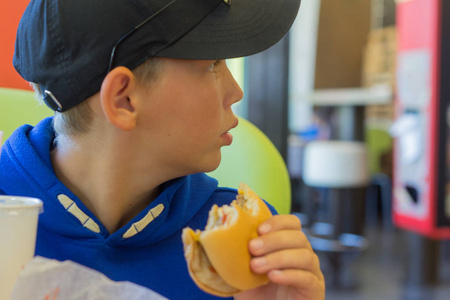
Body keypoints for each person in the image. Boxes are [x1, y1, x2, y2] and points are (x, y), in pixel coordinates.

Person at [1, 0, 325, 299]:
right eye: (212, 64)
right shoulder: (9, 226)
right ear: (124, 99)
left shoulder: (247, 245)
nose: (235, 91)